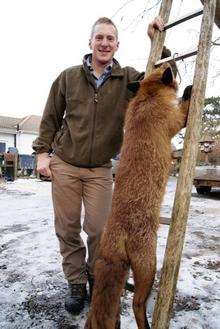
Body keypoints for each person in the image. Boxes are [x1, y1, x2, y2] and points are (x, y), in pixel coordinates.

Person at [33, 16, 164, 315]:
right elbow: (50, 117)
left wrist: (157, 42)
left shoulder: (128, 78)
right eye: (99, 37)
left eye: (110, 38)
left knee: (99, 230)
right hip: (65, 164)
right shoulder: (68, 77)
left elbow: (165, 80)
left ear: (117, 45)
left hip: (100, 170)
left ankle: (96, 276)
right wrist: (42, 153)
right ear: (90, 42)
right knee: (67, 228)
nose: (104, 43)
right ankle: (76, 282)